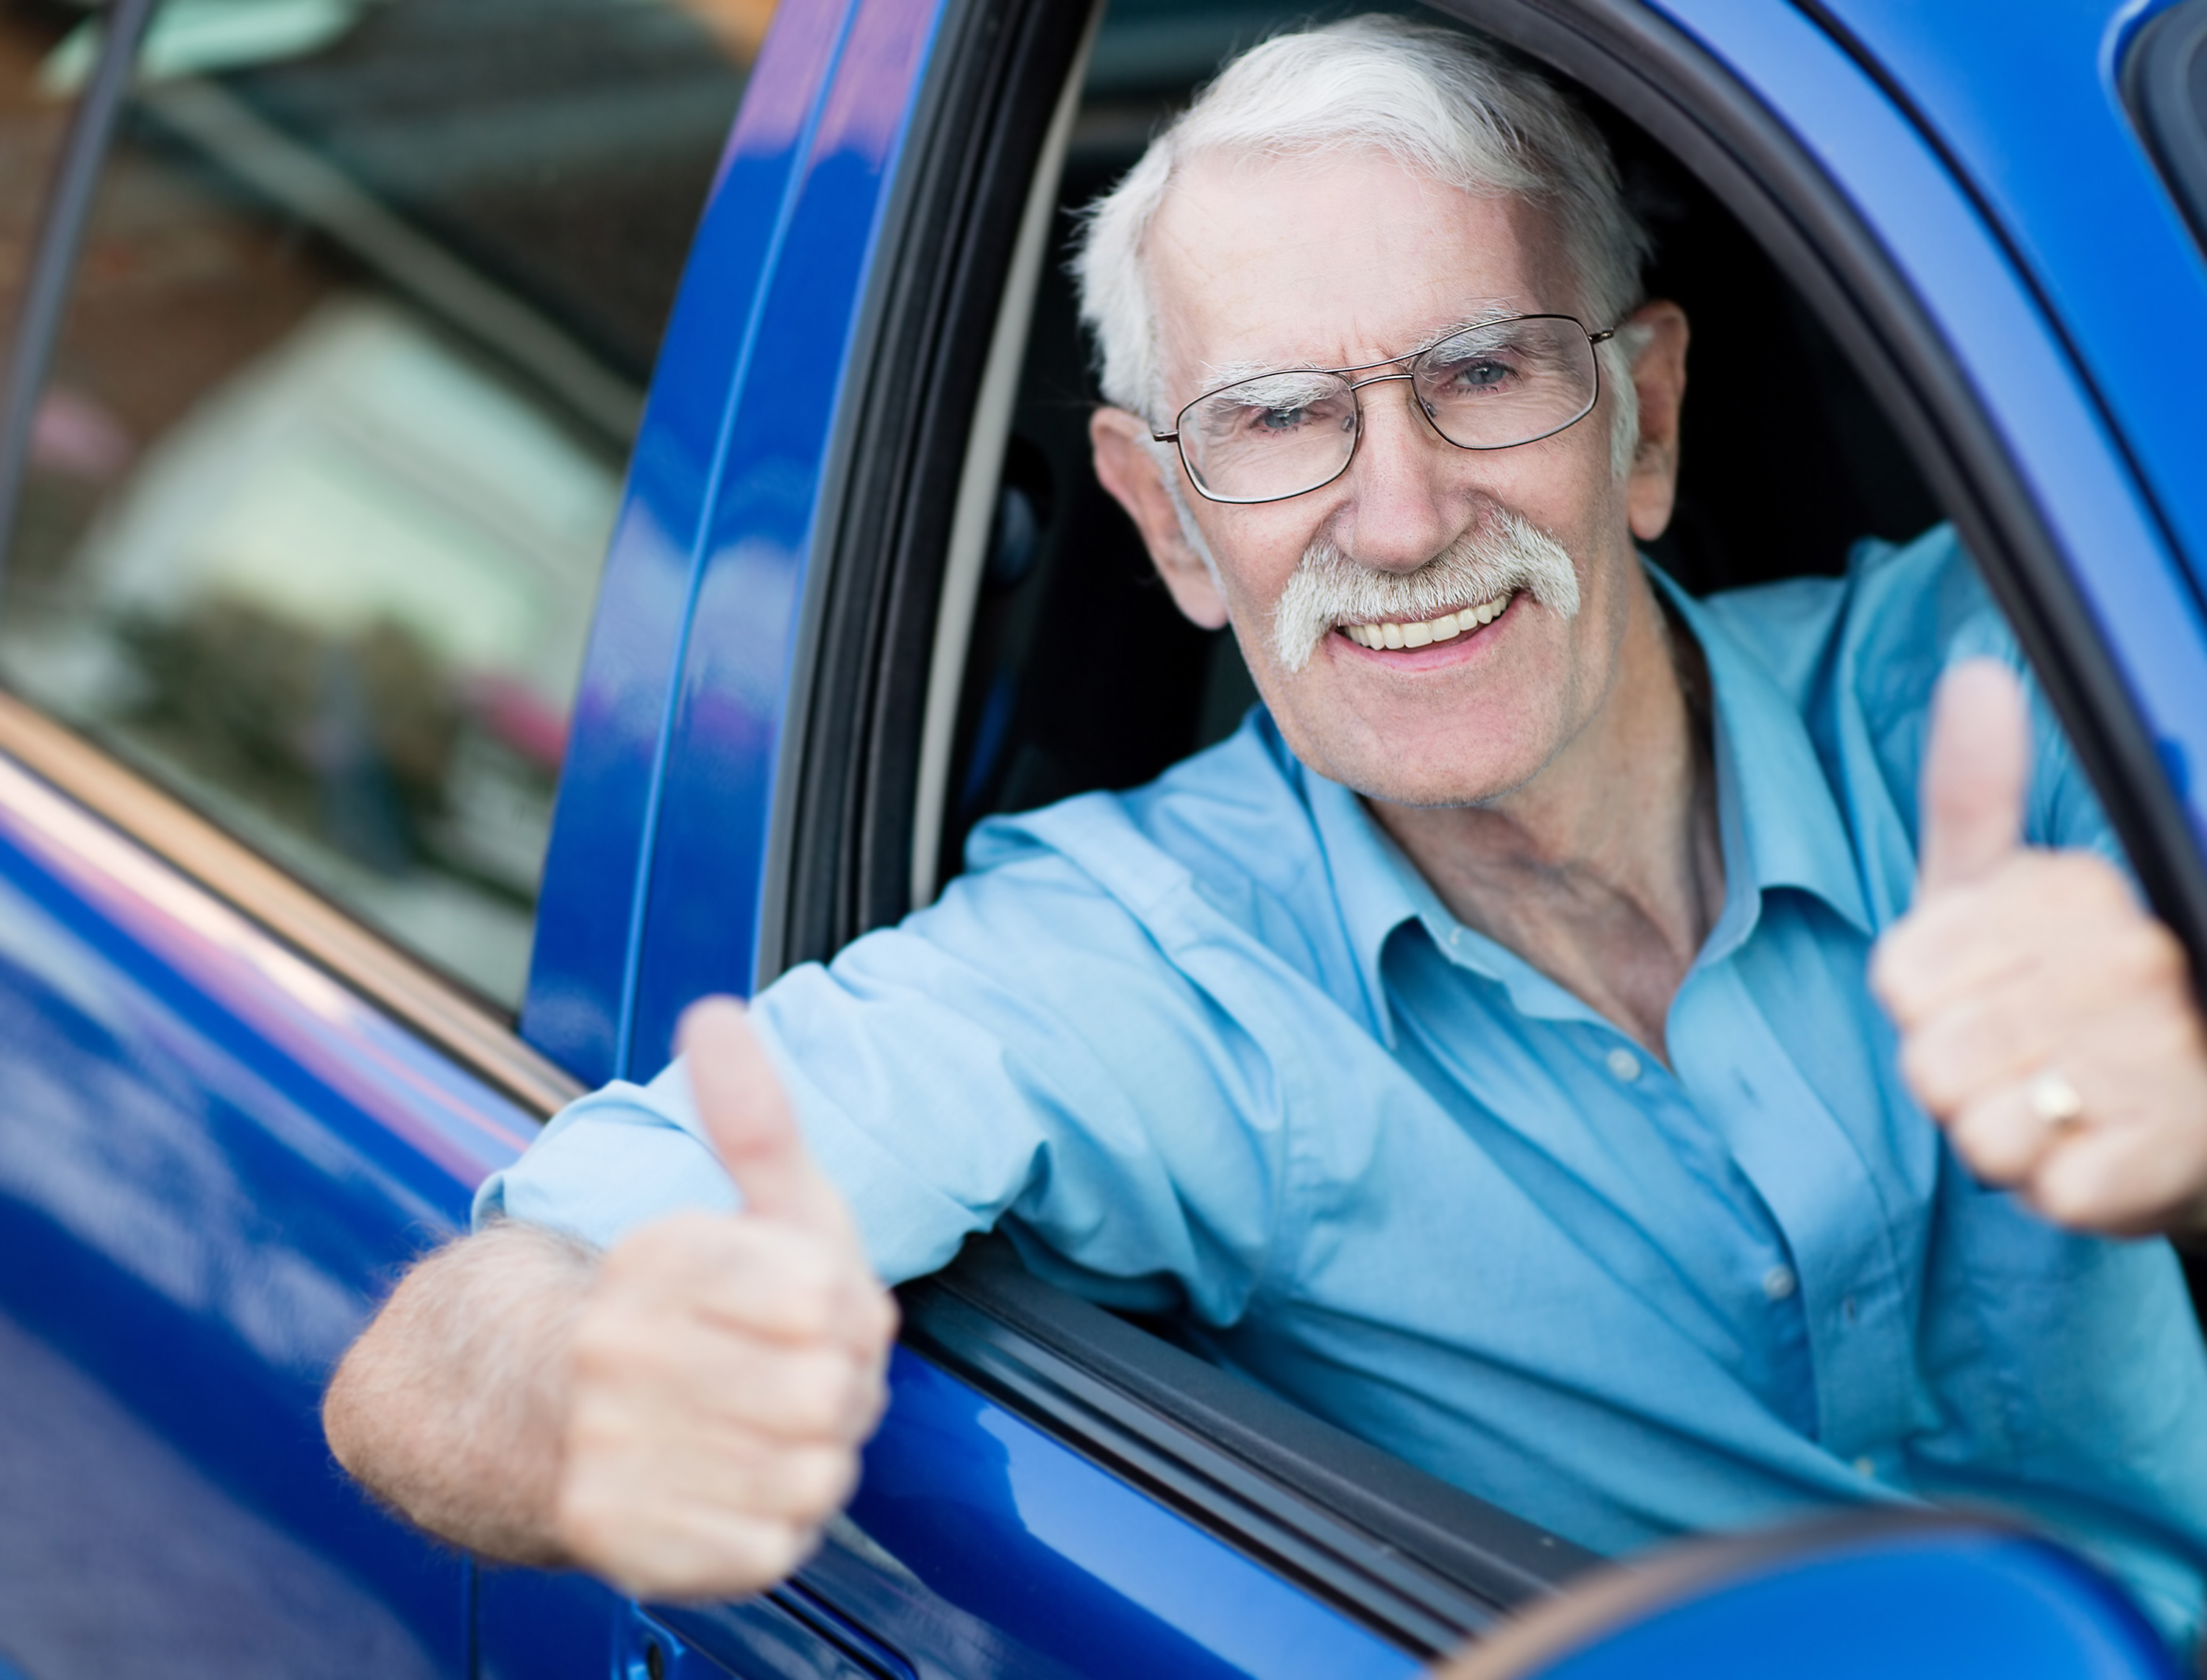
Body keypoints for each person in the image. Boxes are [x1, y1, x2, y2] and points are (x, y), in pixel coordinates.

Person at [324, 13, 2207, 1640]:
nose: (1396, 516)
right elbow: (462, 1337)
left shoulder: (2021, 672)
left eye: (1481, 373)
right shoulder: (1138, 964)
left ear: (1641, 419)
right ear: (1166, 521)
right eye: (1279, 419)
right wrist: (601, 1387)